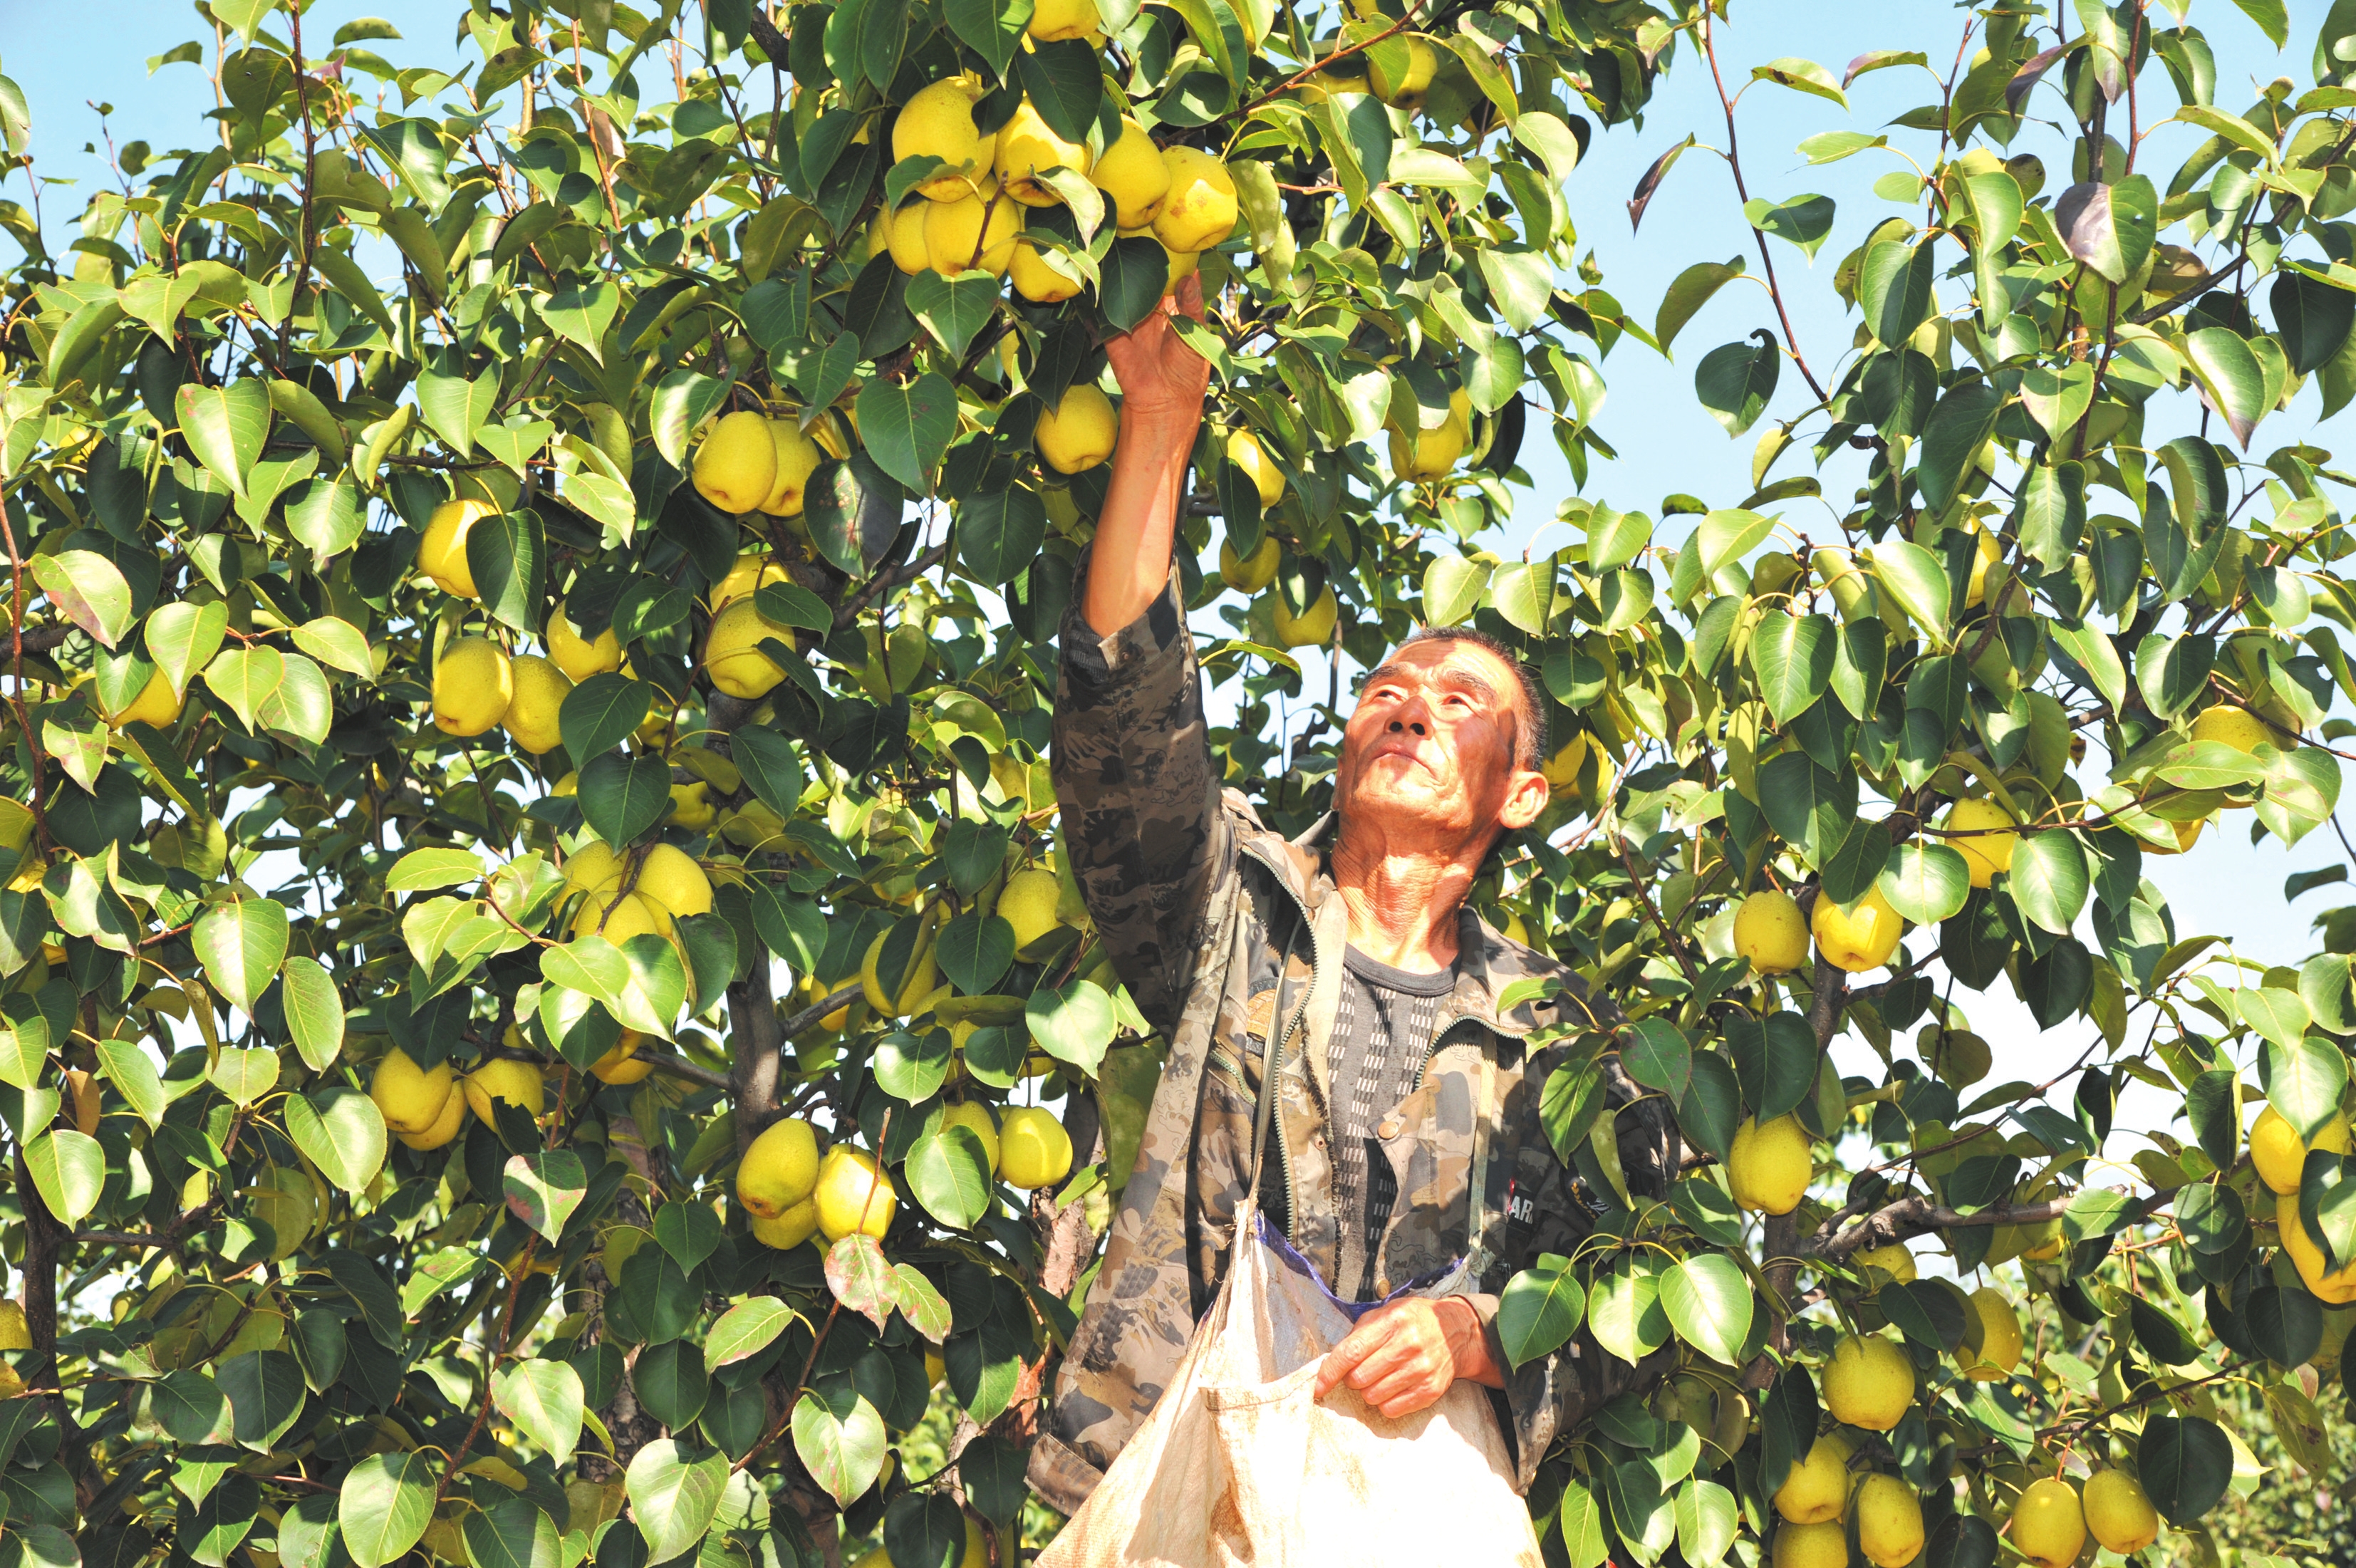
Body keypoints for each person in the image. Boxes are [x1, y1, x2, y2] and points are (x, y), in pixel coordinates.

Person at [1027, 276, 1667, 1515]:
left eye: (1459, 702)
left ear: (1523, 794)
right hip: (1174, 1492)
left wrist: (1481, 1333)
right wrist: (1159, 425)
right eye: (1385, 692)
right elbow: (1125, 729)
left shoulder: (1563, 1037)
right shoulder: (1239, 910)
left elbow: (1654, 1282)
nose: (1411, 707)